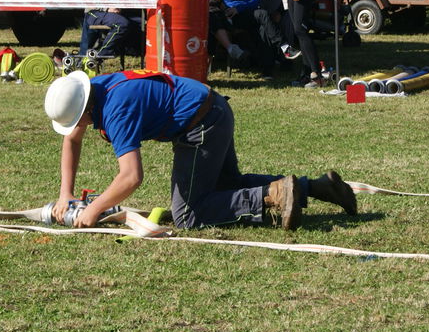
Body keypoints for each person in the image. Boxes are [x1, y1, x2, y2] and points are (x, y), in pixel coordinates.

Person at [43, 69, 357, 231]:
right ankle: (318, 187)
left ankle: (274, 195)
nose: (75, 127)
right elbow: (72, 140)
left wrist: (93, 210)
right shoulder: (96, 89)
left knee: (188, 214)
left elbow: (131, 177)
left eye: (75, 120)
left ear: (84, 109)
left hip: (201, 124)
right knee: (226, 186)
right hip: (213, 109)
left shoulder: (116, 111)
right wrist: (65, 194)